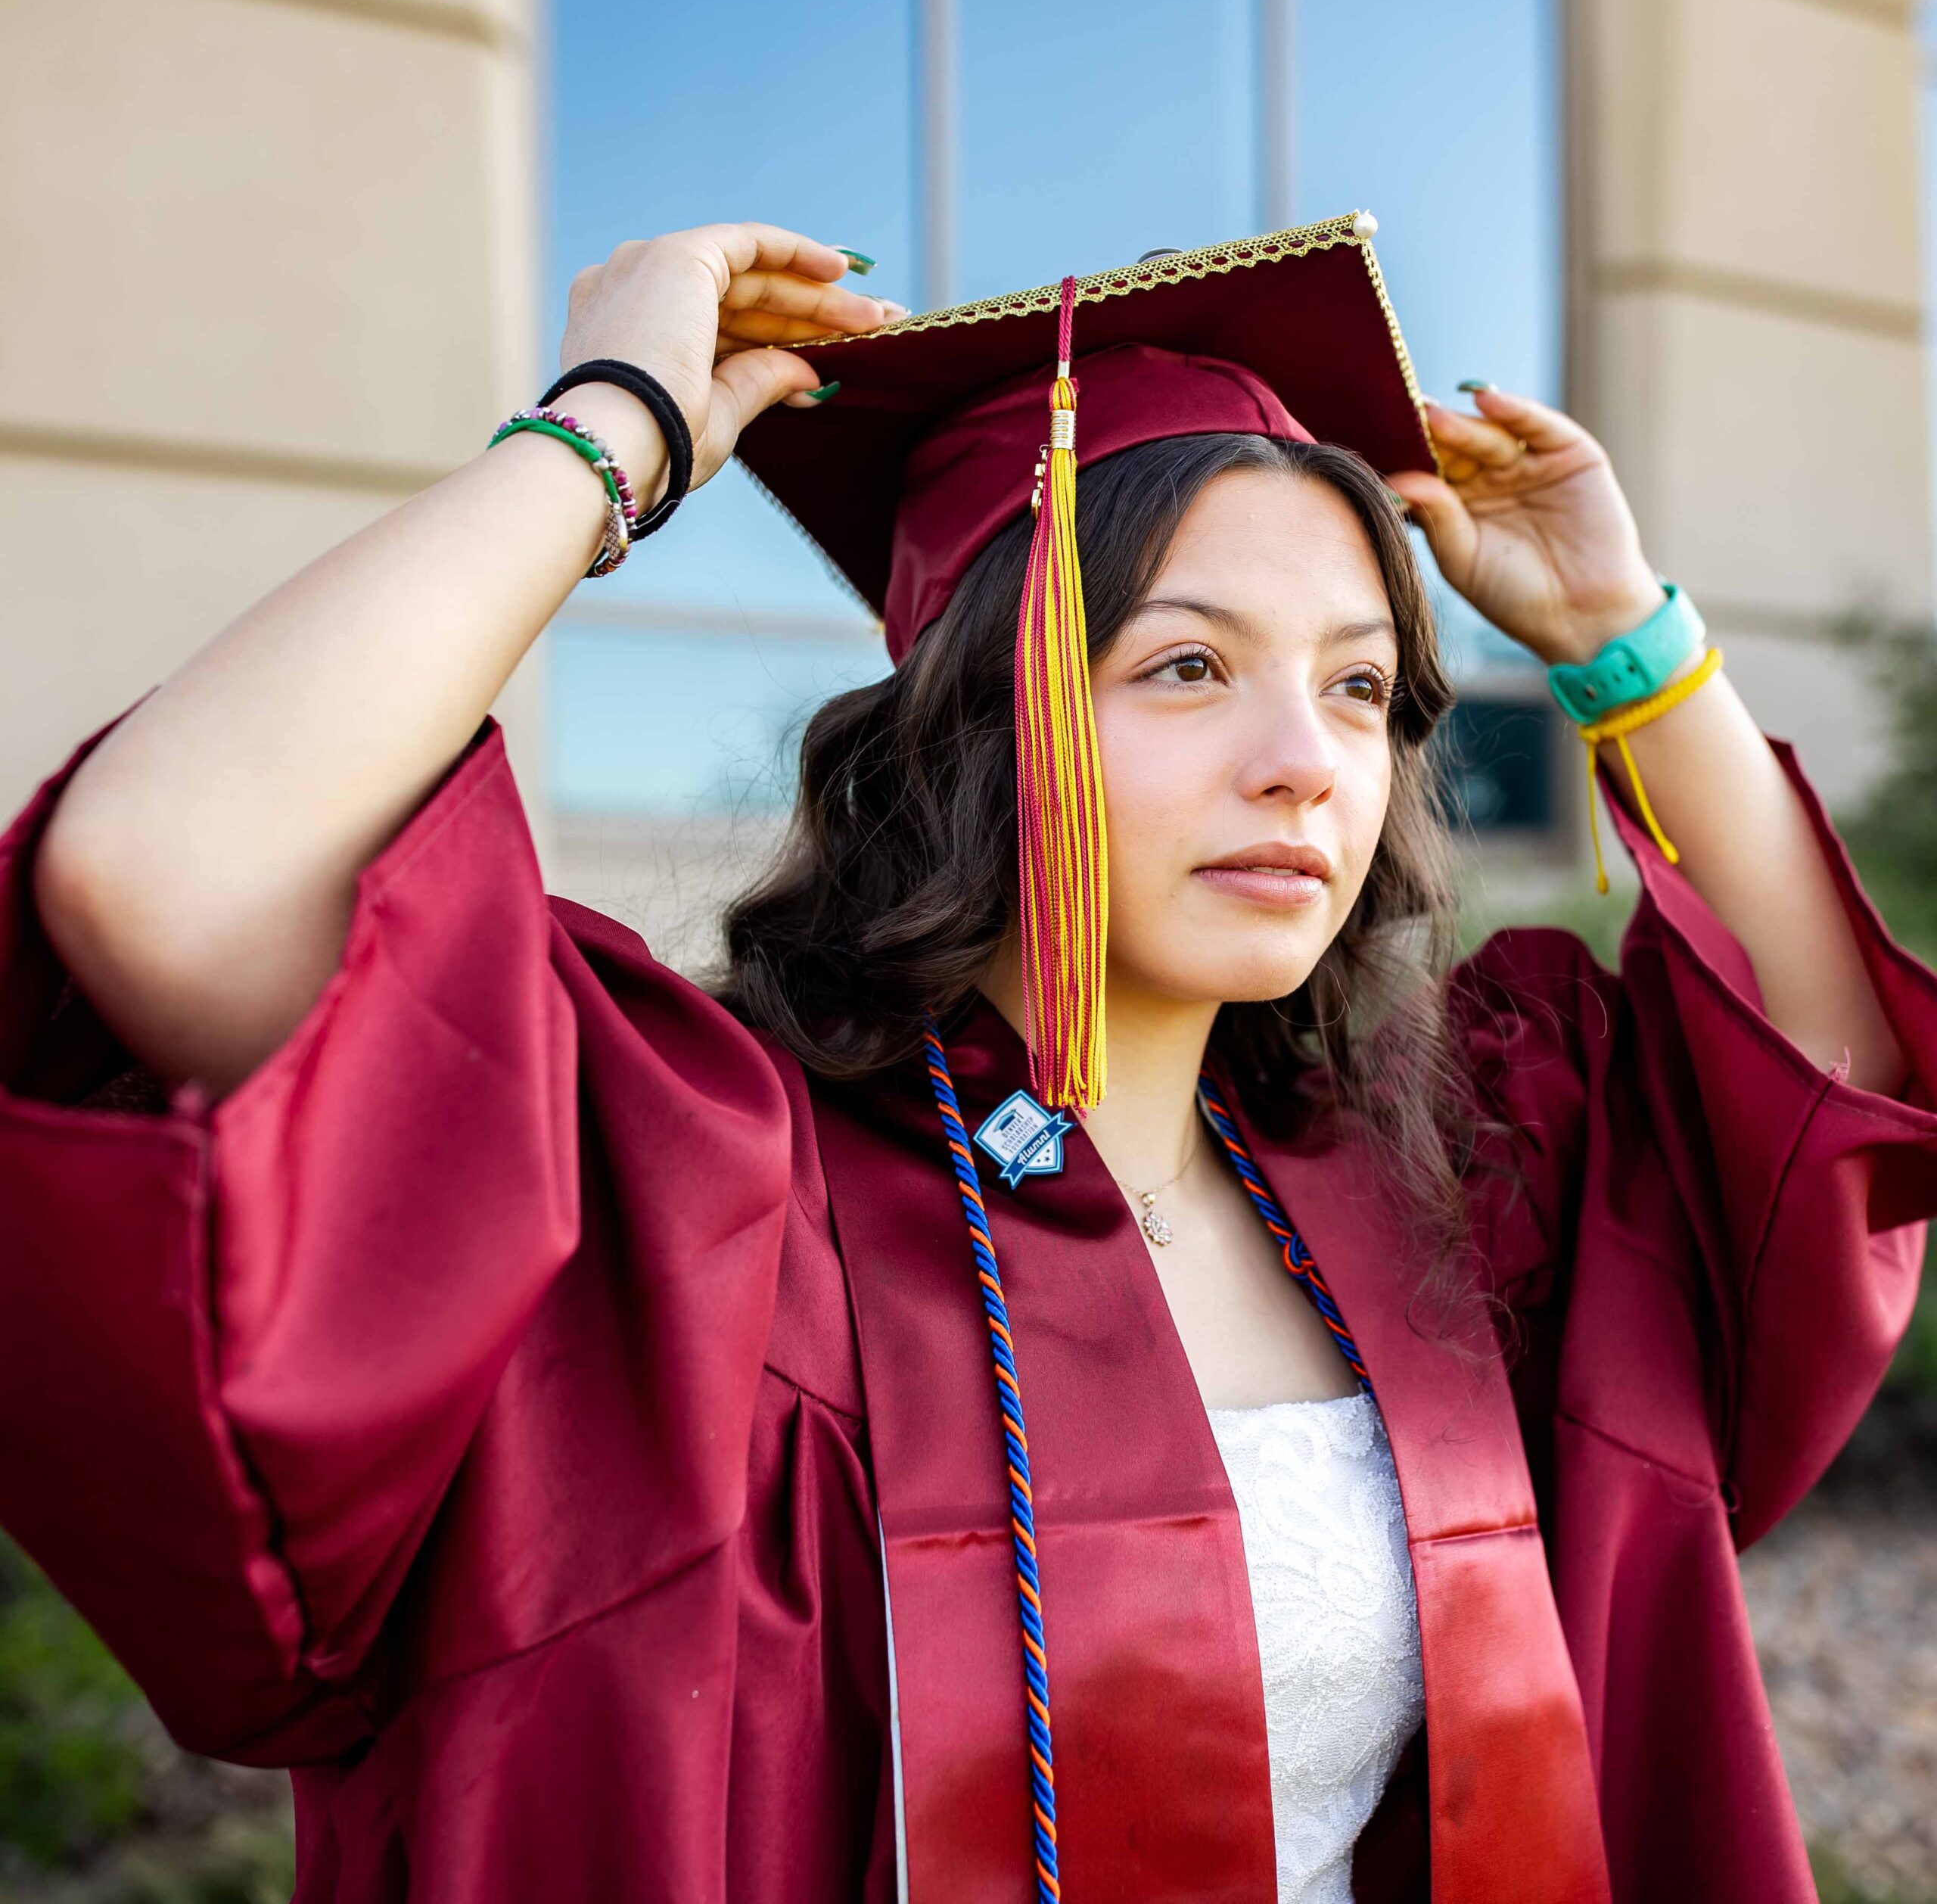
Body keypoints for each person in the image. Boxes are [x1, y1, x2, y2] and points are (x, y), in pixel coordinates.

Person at [1, 214, 1932, 1904]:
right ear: (972, 731)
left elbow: (1820, 1078)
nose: (1305, 757)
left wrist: (1622, 639)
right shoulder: (682, 1207)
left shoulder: (1452, 1177)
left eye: (1357, 683)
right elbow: (168, 869)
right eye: (1183, 664)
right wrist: (612, 424)